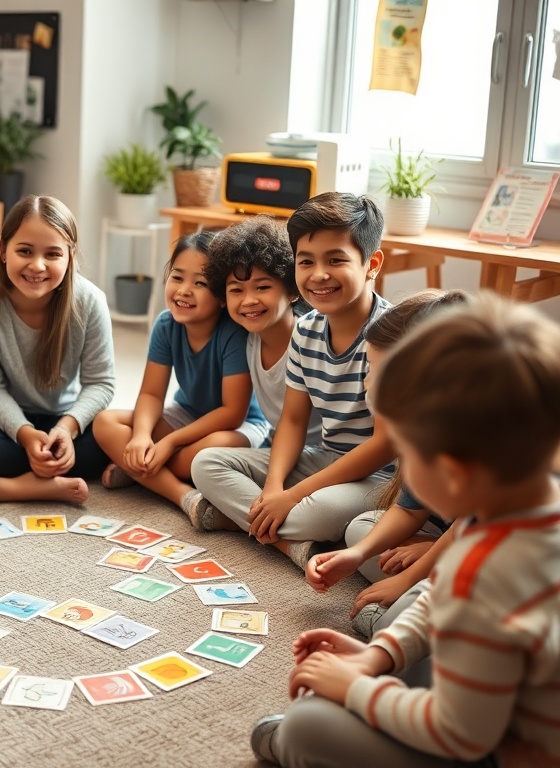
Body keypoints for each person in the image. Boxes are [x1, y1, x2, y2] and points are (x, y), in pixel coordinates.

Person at [251, 292, 560, 768]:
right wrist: (379, 657)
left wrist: (355, 688)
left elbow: (459, 734)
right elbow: (438, 598)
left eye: (406, 455)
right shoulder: (517, 507)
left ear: (453, 472)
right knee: (389, 656)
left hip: (499, 748)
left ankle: (293, 742)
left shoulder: (488, 574)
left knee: (309, 726)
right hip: (498, 699)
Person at [190, 192, 395, 568]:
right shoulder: (306, 330)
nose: (318, 275)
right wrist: (272, 489)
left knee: (309, 513)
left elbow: (385, 446)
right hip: (325, 459)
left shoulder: (390, 336)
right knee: (206, 463)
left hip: (378, 476)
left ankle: (249, 523)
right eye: (306, 262)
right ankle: (282, 533)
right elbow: (293, 421)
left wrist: (294, 495)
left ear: (372, 264)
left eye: (336, 260)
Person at [304, 290, 469, 638]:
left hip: (507, 560)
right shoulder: (422, 426)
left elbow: (476, 524)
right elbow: (409, 510)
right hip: (457, 537)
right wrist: (355, 554)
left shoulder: (479, 437)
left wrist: (411, 577)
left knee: (393, 620)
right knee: (360, 533)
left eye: (376, 370)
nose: (367, 382)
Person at [92, 231, 268, 516]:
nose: (184, 290)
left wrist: (169, 442)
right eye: (177, 277)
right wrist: (141, 436)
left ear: (223, 296)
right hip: (187, 413)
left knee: (203, 456)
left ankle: (140, 471)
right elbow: (151, 393)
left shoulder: (234, 333)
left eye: (200, 283)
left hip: (239, 425)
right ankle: (183, 495)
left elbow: (232, 413)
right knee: (104, 422)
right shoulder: (166, 325)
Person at [0, 195, 115, 504]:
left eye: (53, 254)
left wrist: (66, 430)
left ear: (70, 256)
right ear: (3, 251)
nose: (38, 266)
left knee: (114, 436)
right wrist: (26, 435)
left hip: (62, 417)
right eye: (25, 251)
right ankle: (37, 486)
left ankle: (39, 470)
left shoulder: (90, 301)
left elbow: (101, 383)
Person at [206, 215, 323, 452]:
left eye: (262, 287)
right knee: (206, 460)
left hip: (321, 454)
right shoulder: (247, 340)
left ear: (292, 290)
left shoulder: (311, 338)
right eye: (236, 290)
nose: (249, 300)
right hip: (279, 448)